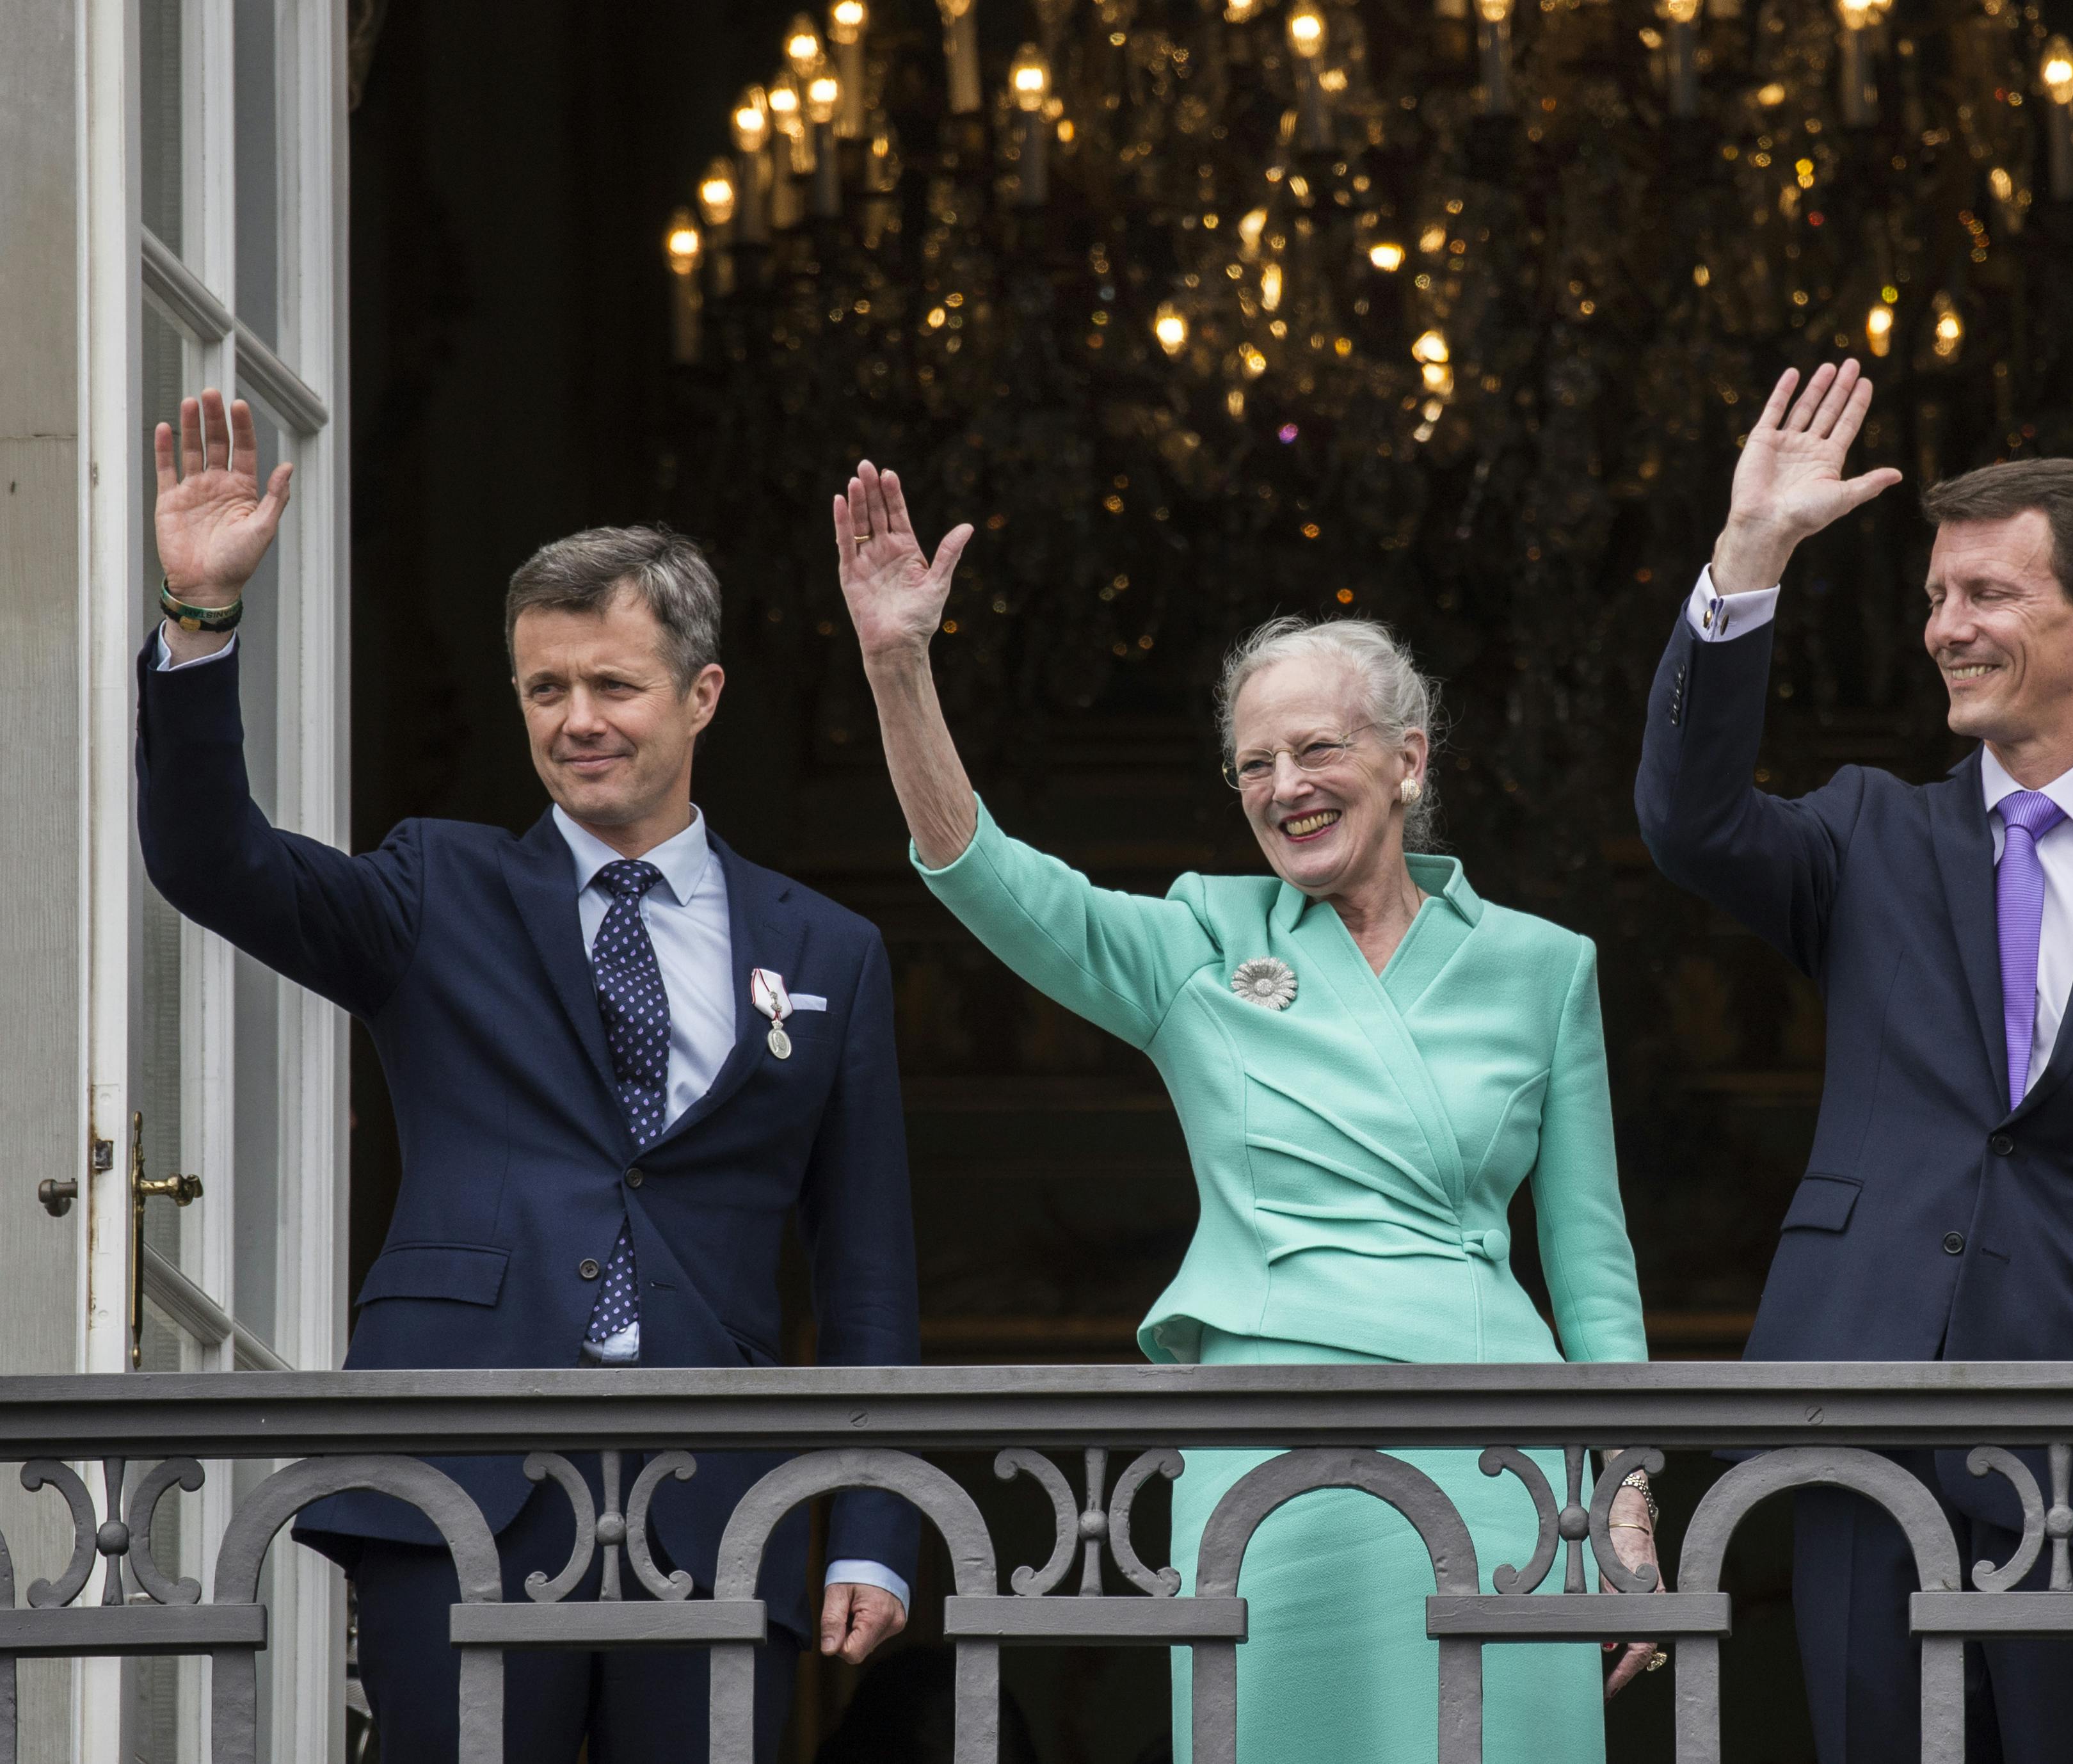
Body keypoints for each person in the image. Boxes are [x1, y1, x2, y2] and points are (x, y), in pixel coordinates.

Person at [829, 460, 1658, 1760]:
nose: (1286, 785)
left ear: (1409, 759)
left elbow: (1595, 1265)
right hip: (1275, 1463)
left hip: (1503, 1467)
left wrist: (1626, 1501)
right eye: (1255, 763)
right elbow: (989, 880)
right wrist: (899, 670)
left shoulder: (1544, 966)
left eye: (1319, 748)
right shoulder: (1202, 941)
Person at [135, 390, 920, 1760]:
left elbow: (864, 1267)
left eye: (612, 684)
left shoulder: (827, 949)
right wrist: (203, 621)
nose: (577, 721)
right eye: (545, 688)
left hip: (712, 1499)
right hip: (462, 1473)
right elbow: (215, 860)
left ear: (702, 694)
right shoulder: (441, 885)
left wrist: (874, 1532)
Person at [1633, 362, 2073, 1763]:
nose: (1946, 630)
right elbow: (1689, 818)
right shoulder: (1865, 835)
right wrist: (1750, 556)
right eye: (1934, 601)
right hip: (1861, 1420)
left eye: (1987, 597)